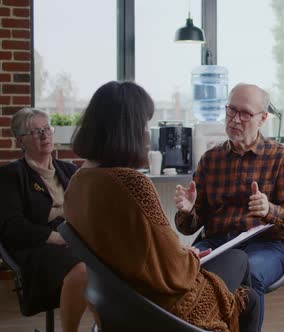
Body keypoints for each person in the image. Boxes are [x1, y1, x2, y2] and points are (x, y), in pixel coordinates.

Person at [64, 81, 260, 332]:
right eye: (144, 124)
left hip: (118, 302)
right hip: (160, 306)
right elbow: (175, 270)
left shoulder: (79, 182)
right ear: (130, 129)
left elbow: (133, 244)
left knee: (239, 285)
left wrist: (180, 252)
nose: (147, 132)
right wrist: (188, 256)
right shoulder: (131, 183)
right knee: (240, 264)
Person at [174, 83, 284, 328]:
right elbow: (189, 227)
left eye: (245, 113)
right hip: (217, 242)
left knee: (248, 275)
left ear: (262, 118)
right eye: (231, 110)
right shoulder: (211, 159)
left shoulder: (281, 158)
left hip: (264, 247)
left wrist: (270, 211)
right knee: (182, 271)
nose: (235, 119)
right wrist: (187, 211)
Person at [0, 108, 87, 332]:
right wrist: (58, 237)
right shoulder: (11, 175)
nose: (45, 135)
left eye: (47, 129)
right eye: (36, 131)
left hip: (72, 237)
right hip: (38, 246)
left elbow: (85, 210)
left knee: (116, 258)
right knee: (82, 268)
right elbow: (12, 226)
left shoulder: (69, 170)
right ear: (21, 141)